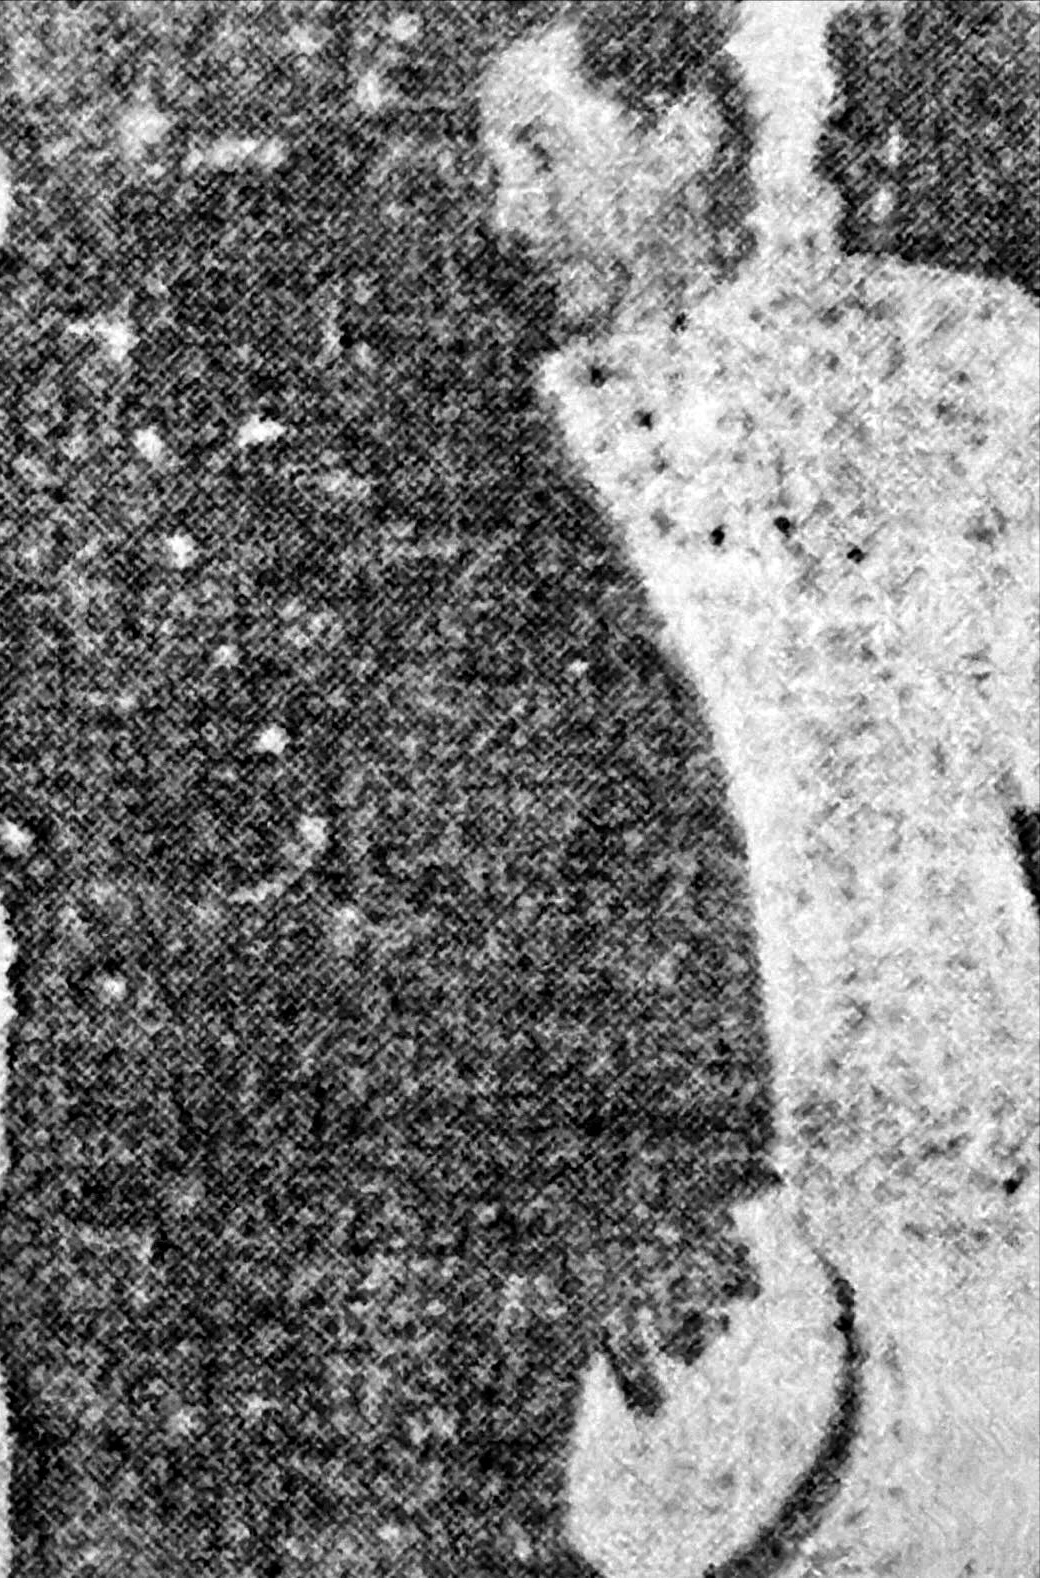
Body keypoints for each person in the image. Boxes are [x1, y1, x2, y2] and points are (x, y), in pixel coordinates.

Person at [0, 73, 791, 1578]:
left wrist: (662, 1177)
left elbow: (641, 833)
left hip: (412, 1228)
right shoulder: (80, 507)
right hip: (144, 1201)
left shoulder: (488, 525)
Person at [480, 2, 1038, 1565]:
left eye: (539, 154)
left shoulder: (953, 366)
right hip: (706, 1247)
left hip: (968, 1173)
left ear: (680, 133)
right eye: (487, 164)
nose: (503, 213)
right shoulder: (515, 452)